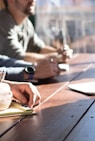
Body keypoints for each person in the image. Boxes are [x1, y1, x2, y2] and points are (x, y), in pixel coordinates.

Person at [0, 0, 73, 64]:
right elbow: (19, 57)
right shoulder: (3, 22)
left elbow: (39, 48)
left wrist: (60, 52)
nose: (33, 0)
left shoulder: (26, 22)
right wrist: (57, 57)